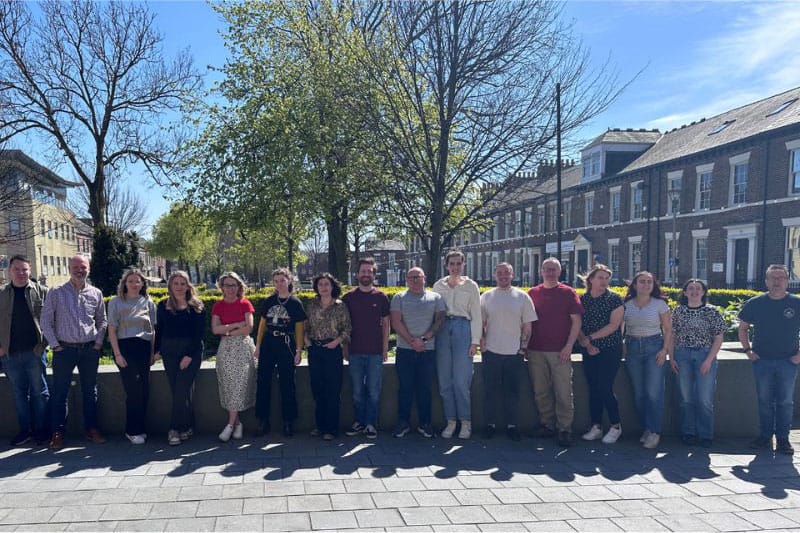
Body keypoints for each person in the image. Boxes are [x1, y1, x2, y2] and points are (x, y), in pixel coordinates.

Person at [40, 255, 107, 449]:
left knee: (90, 391)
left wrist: (98, 343)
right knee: (60, 392)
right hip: (64, 349)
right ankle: (58, 432)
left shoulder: (96, 293)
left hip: (89, 350)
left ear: (89, 269)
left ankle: (91, 429)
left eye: (83, 266)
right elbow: (46, 321)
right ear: (69, 268)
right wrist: (55, 345)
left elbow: (102, 320)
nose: (80, 270)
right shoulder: (56, 292)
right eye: (76, 266)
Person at [738, 264, 800, 454]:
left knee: (785, 402)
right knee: (764, 401)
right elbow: (743, 328)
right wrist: (748, 350)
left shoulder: (796, 303)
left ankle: (783, 440)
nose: (777, 281)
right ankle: (765, 437)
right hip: (762, 361)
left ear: (787, 281)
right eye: (773, 278)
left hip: (788, 361)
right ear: (766, 281)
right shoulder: (755, 303)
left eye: (781, 278)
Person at [526, 258, 584, 447]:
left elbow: (576, 322)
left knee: (563, 392)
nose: (550, 273)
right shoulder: (532, 293)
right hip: (536, 350)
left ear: (560, 272)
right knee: (540, 391)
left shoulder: (568, 293)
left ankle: (564, 428)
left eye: (554, 270)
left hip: (561, 351)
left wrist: (569, 346)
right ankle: (547, 424)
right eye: (547, 269)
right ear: (541, 271)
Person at [480, 262, 537, 441]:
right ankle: (490, 425)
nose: (503, 276)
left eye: (507, 273)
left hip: (514, 353)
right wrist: (482, 343)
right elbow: (481, 323)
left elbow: (528, 326)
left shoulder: (522, 297)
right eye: (500, 273)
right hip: (491, 351)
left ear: (512, 275)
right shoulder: (486, 297)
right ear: (495, 275)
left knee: (512, 392)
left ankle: (512, 426)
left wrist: (523, 348)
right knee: (490, 391)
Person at [0, 255, 50, 446]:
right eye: (16, 270)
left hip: (35, 352)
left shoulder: (43, 292)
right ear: (9, 271)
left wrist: (43, 345)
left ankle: (41, 431)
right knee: (19, 394)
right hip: (10, 354)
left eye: (24, 270)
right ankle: (25, 430)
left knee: (39, 392)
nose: (21, 273)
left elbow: (53, 321)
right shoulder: (2, 293)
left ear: (30, 271)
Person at [390, 267, 446, 438]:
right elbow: (396, 322)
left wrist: (424, 339)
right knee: (405, 388)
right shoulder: (398, 298)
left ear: (425, 278)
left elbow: (440, 320)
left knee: (425, 389)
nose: (415, 280)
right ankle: (403, 423)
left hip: (427, 351)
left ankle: (425, 424)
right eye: (411, 277)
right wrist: (412, 341)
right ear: (406, 279)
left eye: (418, 277)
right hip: (405, 351)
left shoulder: (436, 298)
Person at [432, 250, 481, 439]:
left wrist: (475, 341)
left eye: (458, 264)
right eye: (451, 264)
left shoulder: (471, 286)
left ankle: (466, 422)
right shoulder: (438, 285)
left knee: (461, 381)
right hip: (443, 329)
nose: (455, 267)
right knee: (444, 380)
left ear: (463, 265)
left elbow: (476, 314)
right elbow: (434, 313)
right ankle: (450, 421)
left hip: (463, 328)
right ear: (446, 265)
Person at [670, 278, 725, 448]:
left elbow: (718, 338)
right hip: (682, 355)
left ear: (703, 292)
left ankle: (706, 434)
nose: (694, 291)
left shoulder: (712, 311)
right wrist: (671, 358)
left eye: (698, 288)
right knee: (686, 397)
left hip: (704, 355)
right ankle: (688, 432)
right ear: (685, 292)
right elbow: (671, 336)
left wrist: (709, 360)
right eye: (690, 288)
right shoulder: (678, 311)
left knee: (704, 398)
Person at [154, 271, 205, 446]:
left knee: (181, 389)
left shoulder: (197, 306)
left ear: (188, 285)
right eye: (176, 283)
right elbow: (159, 330)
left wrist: (189, 356)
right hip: (169, 353)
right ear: (170, 286)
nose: (179, 287)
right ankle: (187, 426)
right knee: (177, 390)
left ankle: (174, 429)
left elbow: (198, 335)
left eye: (183, 283)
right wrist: (156, 351)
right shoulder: (162, 306)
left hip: (191, 353)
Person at [254, 268, 307, 438]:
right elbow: (262, 324)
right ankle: (263, 420)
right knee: (263, 381)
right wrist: (258, 345)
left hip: (287, 344)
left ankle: (288, 421)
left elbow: (299, 328)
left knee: (287, 383)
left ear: (289, 280)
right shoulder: (269, 301)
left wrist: (299, 351)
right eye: (276, 281)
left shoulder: (295, 303)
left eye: (282, 280)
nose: (279, 284)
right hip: (269, 343)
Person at [623, 271, 672, 450]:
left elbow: (668, 329)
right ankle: (646, 427)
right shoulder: (627, 304)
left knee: (654, 392)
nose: (645, 285)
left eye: (649, 282)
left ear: (654, 285)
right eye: (642, 282)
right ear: (635, 285)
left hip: (654, 347)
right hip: (633, 348)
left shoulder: (660, 304)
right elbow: (621, 328)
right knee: (639, 393)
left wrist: (664, 350)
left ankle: (654, 431)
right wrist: (624, 348)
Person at [107, 269, 157, 445]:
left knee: (144, 390)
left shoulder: (148, 302)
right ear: (125, 283)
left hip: (143, 348)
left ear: (143, 283)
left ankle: (141, 428)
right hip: (125, 348)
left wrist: (152, 353)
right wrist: (117, 354)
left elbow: (152, 331)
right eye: (131, 281)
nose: (134, 284)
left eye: (137, 281)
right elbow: (111, 329)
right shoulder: (116, 302)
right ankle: (132, 430)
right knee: (133, 391)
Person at [576, 264, 625, 444]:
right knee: (593, 388)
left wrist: (589, 338)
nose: (604, 281)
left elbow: (613, 326)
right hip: (588, 349)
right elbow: (576, 323)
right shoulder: (582, 299)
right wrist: (586, 342)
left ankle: (616, 426)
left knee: (605, 386)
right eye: (600, 278)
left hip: (610, 349)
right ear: (590, 280)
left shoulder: (615, 299)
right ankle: (596, 426)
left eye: (607, 278)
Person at [342, 258, 390, 440]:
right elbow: (344, 326)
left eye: (369, 271)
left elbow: (386, 324)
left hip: (375, 352)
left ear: (374, 274)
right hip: (354, 351)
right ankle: (359, 422)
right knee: (357, 391)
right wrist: (345, 348)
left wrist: (385, 348)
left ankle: (371, 423)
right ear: (357, 274)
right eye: (363, 271)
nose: (366, 274)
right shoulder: (348, 298)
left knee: (374, 390)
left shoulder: (381, 297)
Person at [304, 273, 351, 440]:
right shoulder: (311, 305)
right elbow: (305, 326)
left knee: (333, 390)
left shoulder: (340, 306)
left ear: (332, 287)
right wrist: (307, 342)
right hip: (315, 351)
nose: (323, 287)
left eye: (327, 284)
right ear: (316, 287)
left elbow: (347, 329)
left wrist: (336, 341)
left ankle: (331, 429)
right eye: (320, 284)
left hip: (332, 350)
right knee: (318, 389)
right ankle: (320, 426)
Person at [211, 272, 256, 442]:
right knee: (229, 384)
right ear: (221, 287)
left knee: (239, 384)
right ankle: (237, 424)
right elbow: (215, 330)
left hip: (242, 348)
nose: (230, 289)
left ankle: (230, 425)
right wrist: (236, 326)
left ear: (239, 287)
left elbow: (249, 328)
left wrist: (227, 330)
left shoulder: (245, 303)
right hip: (226, 349)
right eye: (227, 285)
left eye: (233, 285)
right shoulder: (218, 306)